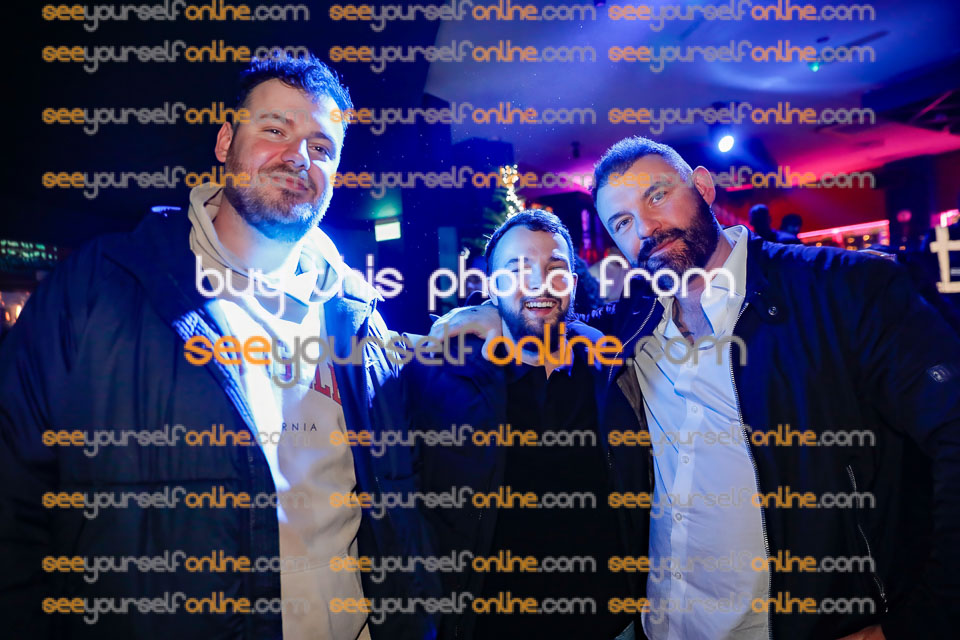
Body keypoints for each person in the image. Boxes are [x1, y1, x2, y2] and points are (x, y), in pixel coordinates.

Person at [432, 136, 960, 640]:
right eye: (622, 221)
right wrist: (489, 313)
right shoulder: (631, 326)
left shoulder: (843, 290)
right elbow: (549, 323)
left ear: (704, 187)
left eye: (657, 195)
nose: (646, 227)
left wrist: (922, 623)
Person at [0, 53, 436, 640]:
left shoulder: (356, 317)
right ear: (226, 140)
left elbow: (406, 490)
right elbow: (14, 500)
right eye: (275, 129)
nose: (299, 157)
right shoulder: (103, 288)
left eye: (321, 146)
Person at [405, 210, 642, 640]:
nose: (538, 283)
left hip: (612, 623)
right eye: (517, 269)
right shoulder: (440, 379)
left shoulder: (612, 370)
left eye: (555, 268)